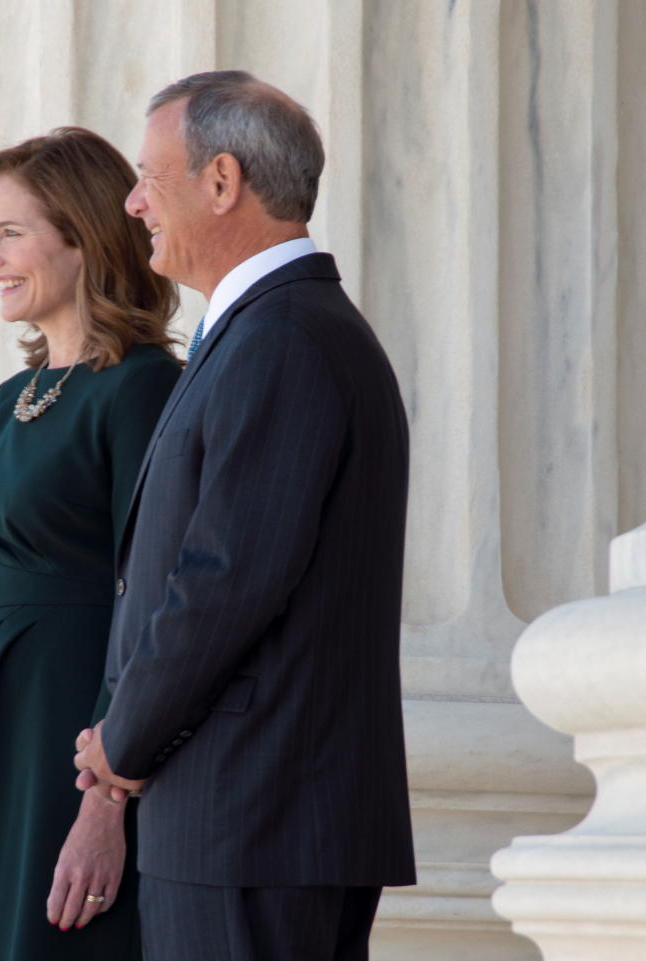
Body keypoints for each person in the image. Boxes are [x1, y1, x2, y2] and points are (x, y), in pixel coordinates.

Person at [73, 71, 415, 961]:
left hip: (255, 814)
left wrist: (122, 739)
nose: (133, 200)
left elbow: (226, 578)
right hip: (255, 812)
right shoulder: (271, 328)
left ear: (222, 182)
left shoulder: (285, 337)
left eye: (151, 175)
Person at [0, 126, 181, 960]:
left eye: (9, 232)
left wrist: (106, 801)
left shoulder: (143, 387)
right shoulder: (12, 397)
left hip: (76, 732)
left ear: (83, 237)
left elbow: (155, 599)